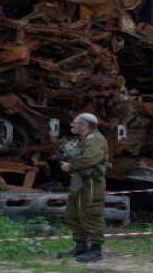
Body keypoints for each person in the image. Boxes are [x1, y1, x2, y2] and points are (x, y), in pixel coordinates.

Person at [57, 112, 108, 263]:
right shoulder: (84, 139)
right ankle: (80, 247)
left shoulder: (95, 139)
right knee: (72, 213)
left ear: (84, 126)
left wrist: (71, 166)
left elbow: (89, 159)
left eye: (75, 123)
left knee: (91, 214)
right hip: (80, 182)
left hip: (91, 183)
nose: (72, 125)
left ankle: (96, 250)